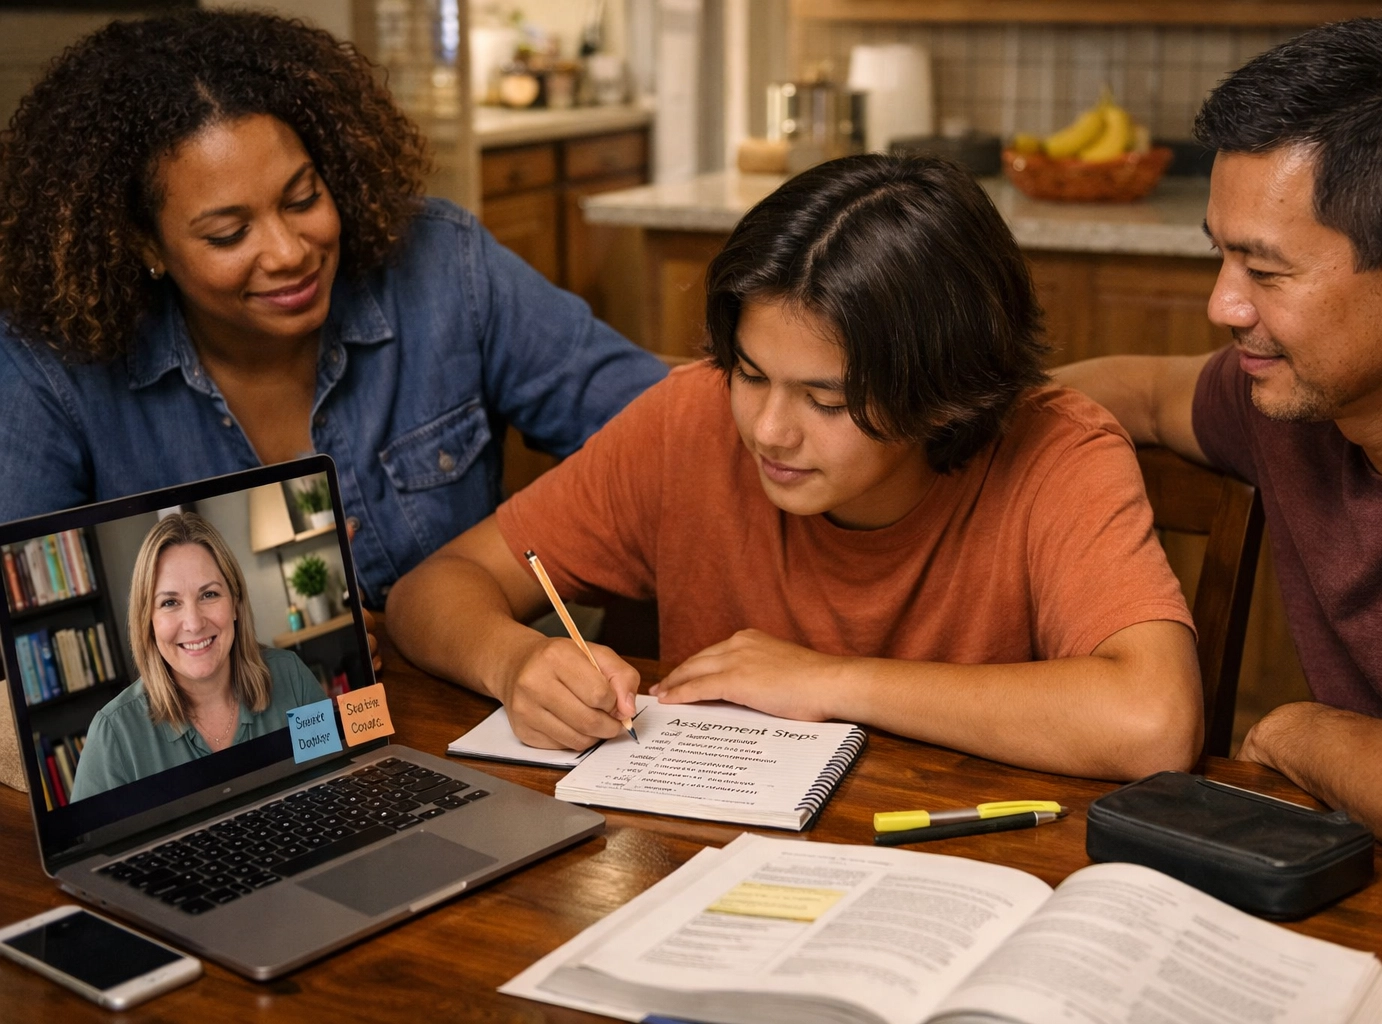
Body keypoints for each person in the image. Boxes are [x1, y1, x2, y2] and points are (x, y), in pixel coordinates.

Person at [387, 154, 1203, 780]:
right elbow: (434, 588)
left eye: (827, 399)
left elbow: (1152, 722)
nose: (769, 431)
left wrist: (830, 682)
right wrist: (516, 661)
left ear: (947, 393)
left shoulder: (1056, 451)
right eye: (750, 373)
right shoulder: (691, 419)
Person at [1055, 18, 1382, 895]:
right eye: (1221, 256)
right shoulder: (1308, 387)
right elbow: (1146, 394)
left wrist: (1292, 731)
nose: (1223, 305)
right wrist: (917, 416)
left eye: (1265, 272)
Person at [0, 10, 666, 608]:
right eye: (229, 234)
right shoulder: (51, 364)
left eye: (302, 198)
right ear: (143, 242)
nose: (290, 252)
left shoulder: (441, 264)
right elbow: (30, 631)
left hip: (460, 707)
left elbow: (666, 438)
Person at [70, 513, 326, 800]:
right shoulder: (113, 736)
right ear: (147, 622)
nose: (193, 623)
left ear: (236, 604)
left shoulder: (291, 677)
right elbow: (93, 845)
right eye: (169, 602)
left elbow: (332, 786)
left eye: (209, 595)